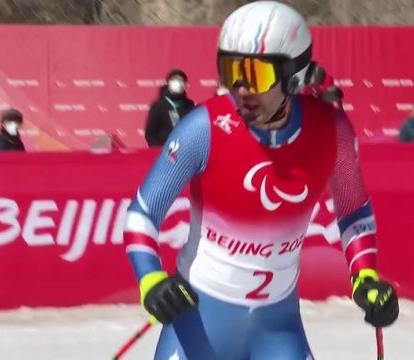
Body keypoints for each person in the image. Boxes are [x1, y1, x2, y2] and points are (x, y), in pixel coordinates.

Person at [123, 2, 399, 359]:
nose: (240, 88)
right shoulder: (203, 128)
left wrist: (366, 277)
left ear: (293, 76)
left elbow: (353, 211)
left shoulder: (332, 132)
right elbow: (142, 215)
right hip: (200, 322)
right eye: (230, 71)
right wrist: (151, 281)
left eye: (254, 75)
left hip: (276, 327)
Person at [144, 69, 195, 147]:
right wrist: (159, 150)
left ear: (185, 84)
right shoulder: (158, 106)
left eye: (181, 80)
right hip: (163, 151)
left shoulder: (190, 105)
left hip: (185, 150)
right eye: (175, 80)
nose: (178, 83)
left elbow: (194, 130)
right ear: (168, 83)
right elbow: (150, 134)